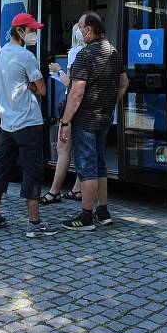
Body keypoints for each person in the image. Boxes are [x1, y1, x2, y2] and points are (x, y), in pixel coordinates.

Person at [0, 13, 58, 238]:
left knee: (1, 167)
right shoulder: (26, 56)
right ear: (20, 31)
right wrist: (30, 86)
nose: (34, 34)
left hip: (7, 122)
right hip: (28, 123)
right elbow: (43, 90)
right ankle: (34, 223)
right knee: (32, 170)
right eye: (31, 29)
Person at [60, 12, 129, 231]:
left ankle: (86, 216)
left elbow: (76, 93)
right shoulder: (113, 52)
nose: (79, 32)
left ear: (89, 30)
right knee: (100, 164)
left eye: (80, 28)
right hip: (104, 118)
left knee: (87, 166)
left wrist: (65, 121)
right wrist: (109, 103)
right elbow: (124, 83)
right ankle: (103, 211)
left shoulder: (85, 54)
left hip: (85, 120)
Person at [39, 24, 85, 205]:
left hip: (71, 105)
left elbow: (69, 83)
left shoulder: (75, 52)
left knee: (62, 149)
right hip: (85, 107)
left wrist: (58, 70)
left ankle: (54, 191)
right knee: (81, 149)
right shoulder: (92, 51)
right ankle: (76, 189)